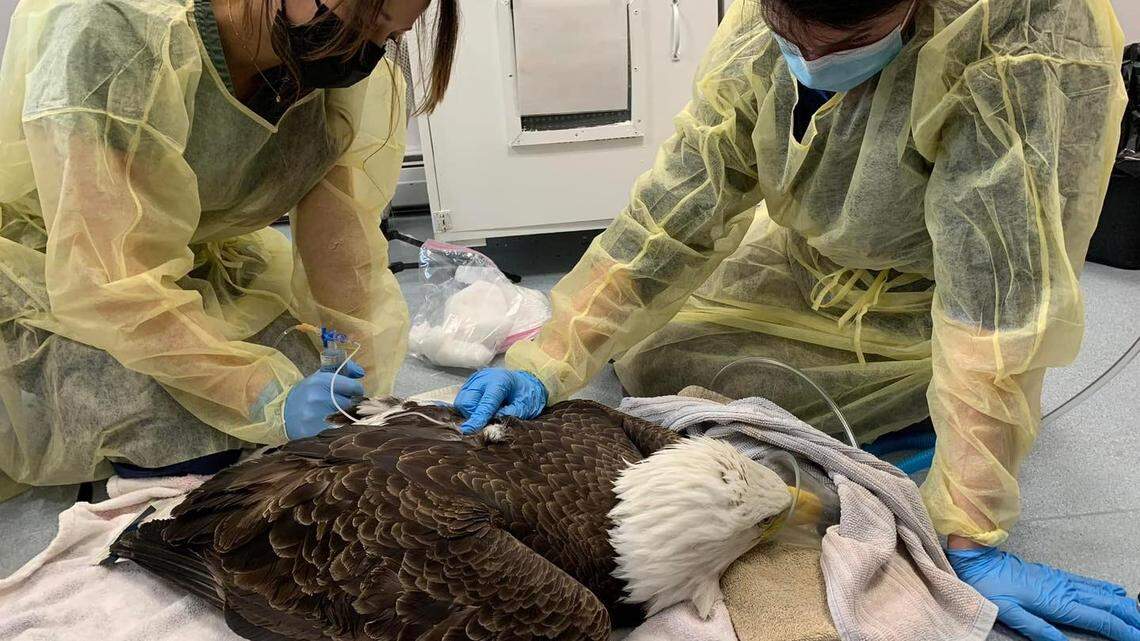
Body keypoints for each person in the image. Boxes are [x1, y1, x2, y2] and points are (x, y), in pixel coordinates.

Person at [455, 0, 1139, 639]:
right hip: (811, 256)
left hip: (926, 299)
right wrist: (549, 353)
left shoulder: (1018, 49)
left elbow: (994, 300)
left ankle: (936, 429)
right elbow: (678, 207)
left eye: (844, 41)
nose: (809, 56)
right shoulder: (765, 34)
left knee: (943, 395)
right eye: (788, 27)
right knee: (649, 356)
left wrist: (972, 530)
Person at [0, 0, 457, 501]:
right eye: (367, 22)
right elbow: (105, 275)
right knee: (185, 444)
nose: (365, 52)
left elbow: (338, 234)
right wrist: (266, 398)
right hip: (62, 259)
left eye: (390, 37)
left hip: (196, 246)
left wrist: (351, 356)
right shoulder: (114, 32)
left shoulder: (322, 55)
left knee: (311, 391)